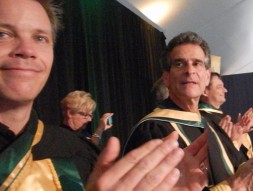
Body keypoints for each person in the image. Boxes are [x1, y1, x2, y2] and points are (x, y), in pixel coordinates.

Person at [1, 1, 208, 190]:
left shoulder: (80, 155)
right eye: (3, 34)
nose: (27, 50)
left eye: (40, 38)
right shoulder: (152, 128)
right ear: (166, 77)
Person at [121, 31, 253, 190]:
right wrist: (238, 185)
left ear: (206, 77)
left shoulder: (211, 122)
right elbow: (238, 181)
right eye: (179, 64)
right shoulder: (152, 132)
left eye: (197, 63)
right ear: (166, 78)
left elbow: (235, 170)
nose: (190, 70)